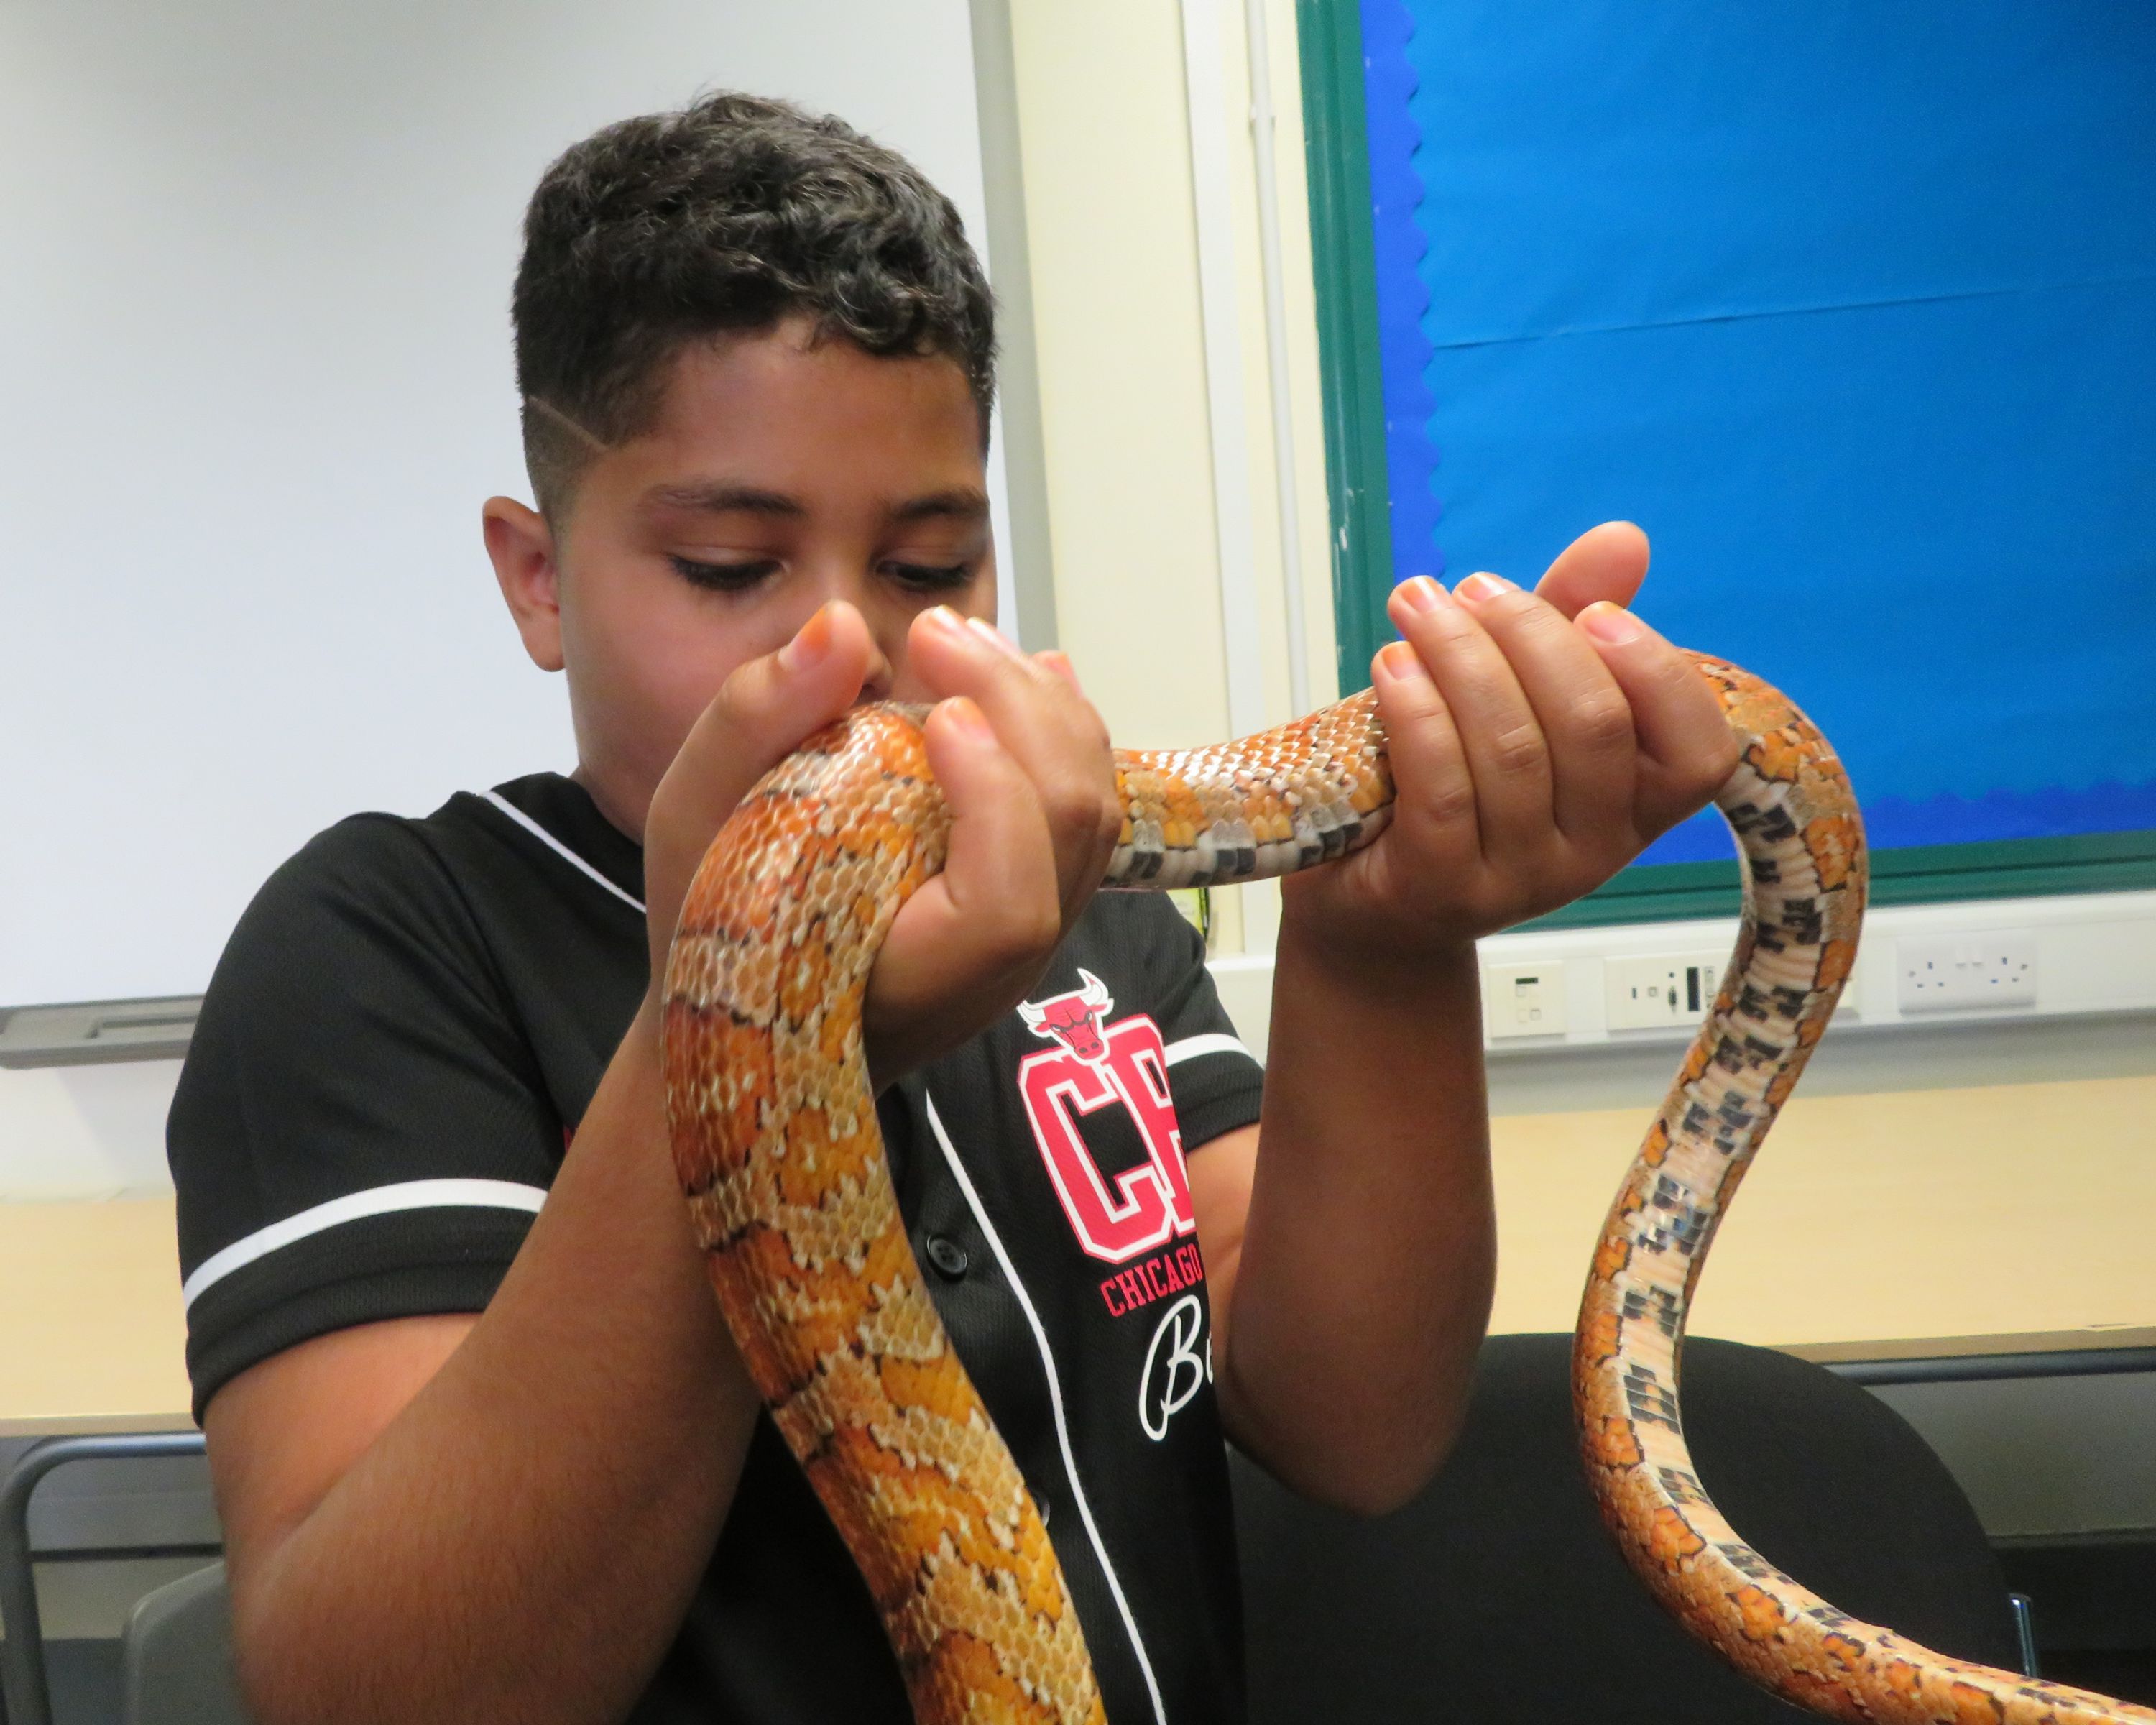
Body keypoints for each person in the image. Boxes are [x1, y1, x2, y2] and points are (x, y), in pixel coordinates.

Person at [167, 92, 1736, 1725]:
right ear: (539, 576)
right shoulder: (382, 950)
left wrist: (1387, 945)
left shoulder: (1082, 907)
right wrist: (755, 1031)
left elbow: (1356, 1423)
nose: (847, 658)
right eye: (726, 567)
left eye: (929, 568)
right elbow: (382, 1693)